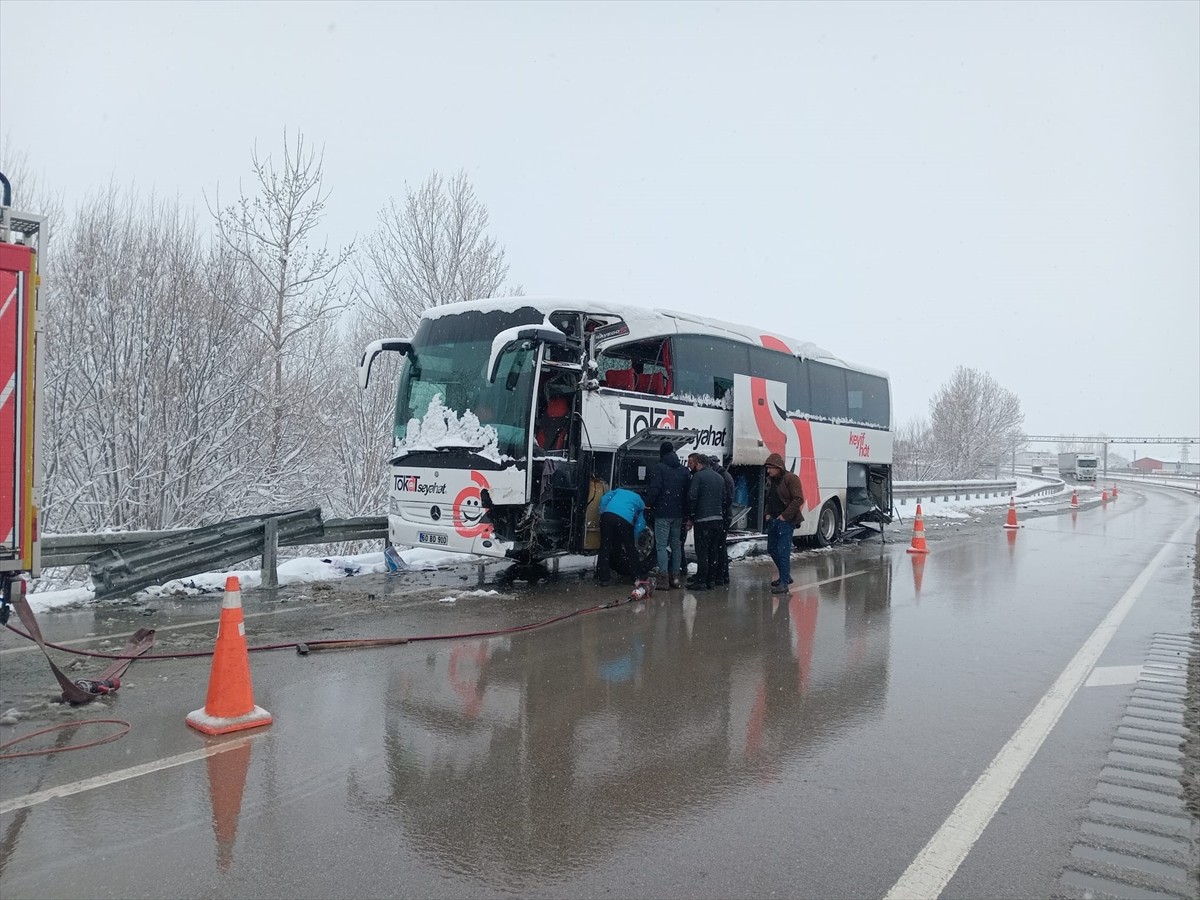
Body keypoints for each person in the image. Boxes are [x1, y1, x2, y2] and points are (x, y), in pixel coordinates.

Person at [646, 442, 690, 590]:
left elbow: (655, 489)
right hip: (678, 514)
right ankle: (675, 578)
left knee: (661, 546)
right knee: (676, 546)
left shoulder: (659, 468)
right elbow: (687, 493)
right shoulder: (684, 470)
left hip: (663, 513)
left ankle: (663, 579)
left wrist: (649, 504)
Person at [763, 452, 805, 594]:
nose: (768, 471)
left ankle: (784, 583)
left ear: (778, 467)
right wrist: (767, 513)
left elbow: (798, 499)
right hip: (774, 519)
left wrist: (785, 516)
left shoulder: (791, 478)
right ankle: (785, 576)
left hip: (785, 521)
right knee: (772, 549)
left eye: (770, 468)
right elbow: (770, 499)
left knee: (783, 551)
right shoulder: (771, 480)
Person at [685, 453, 725, 591]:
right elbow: (724, 499)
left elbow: (691, 497)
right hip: (718, 520)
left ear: (698, 463)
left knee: (702, 552)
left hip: (703, 520)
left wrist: (691, 515)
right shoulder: (719, 477)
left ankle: (701, 581)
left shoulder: (698, 476)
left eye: (692, 463)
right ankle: (711, 581)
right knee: (713, 551)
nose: (690, 466)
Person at [595, 486, 648, 586]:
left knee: (605, 547)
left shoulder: (619, 491)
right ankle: (636, 576)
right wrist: (633, 537)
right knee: (630, 549)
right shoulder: (641, 502)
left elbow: (604, 499)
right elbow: (640, 524)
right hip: (624, 520)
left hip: (607, 516)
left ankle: (603, 578)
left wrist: (602, 512)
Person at [708, 454, 735, 586]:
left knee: (719, 546)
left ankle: (721, 574)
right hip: (725, 514)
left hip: (723, 515)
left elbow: (727, 499)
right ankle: (722, 575)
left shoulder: (723, 477)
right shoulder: (725, 476)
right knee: (720, 545)